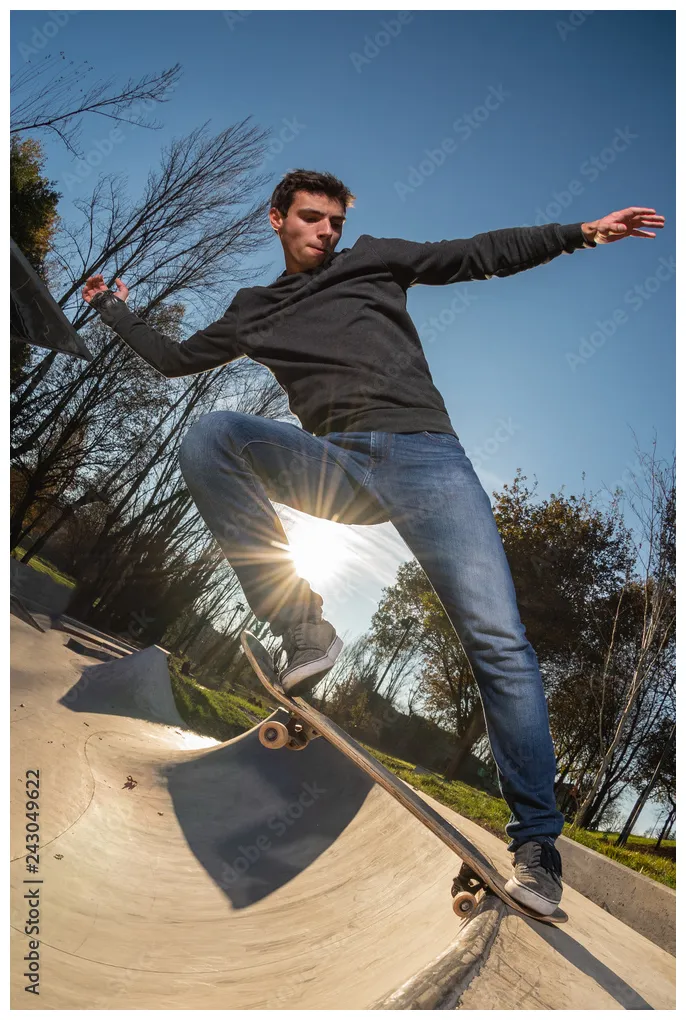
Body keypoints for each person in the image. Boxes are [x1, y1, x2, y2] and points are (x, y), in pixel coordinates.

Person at [82, 169, 664, 916]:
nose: (326, 233)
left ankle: (537, 846)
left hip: (431, 461)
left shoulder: (375, 259)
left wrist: (579, 233)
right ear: (277, 221)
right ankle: (303, 625)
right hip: (338, 464)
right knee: (209, 436)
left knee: (499, 639)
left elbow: (477, 252)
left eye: (334, 221)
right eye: (312, 219)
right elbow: (173, 359)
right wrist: (108, 309)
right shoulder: (252, 310)